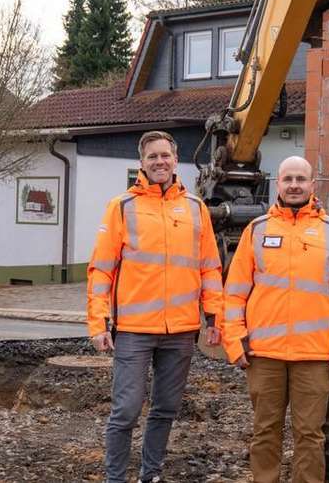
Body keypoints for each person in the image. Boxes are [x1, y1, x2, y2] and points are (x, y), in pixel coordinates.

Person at [87, 130, 223, 483]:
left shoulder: (195, 209)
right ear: (141, 163)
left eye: (166, 155)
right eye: (153, 157)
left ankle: (152, 474)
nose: (160, 162)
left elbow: (209, 267)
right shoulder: (122, 207)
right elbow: (101, 268)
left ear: (176, 160)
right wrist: (98, 323)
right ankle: (115, 478)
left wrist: (213, 317)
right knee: (126, 411)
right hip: (134, 330)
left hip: (180, 332)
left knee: (165, 410)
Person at [221, 155, 329, 483]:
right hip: (264, 355)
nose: (295, 185)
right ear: (278, 184)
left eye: (301, 179)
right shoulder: (257, 231)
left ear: (313, 185)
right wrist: (235, 341)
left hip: (314, 357)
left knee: (310, 436)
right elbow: (234, 294)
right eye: (288, 179)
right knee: (265, 432)